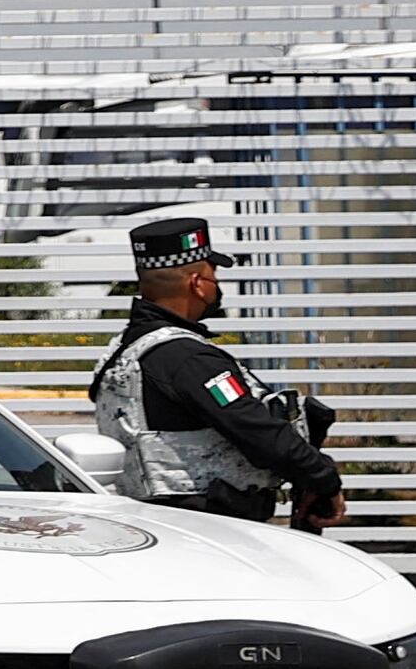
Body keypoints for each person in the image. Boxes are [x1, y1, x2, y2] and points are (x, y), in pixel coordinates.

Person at [94, 209, 346, 527]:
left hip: (162, 523)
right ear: (198, 284)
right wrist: (325, 478)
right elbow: (256, 429)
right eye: (215, 276)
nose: (217, 287)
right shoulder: (187, 358)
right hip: (208, 528)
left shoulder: (124, 350)